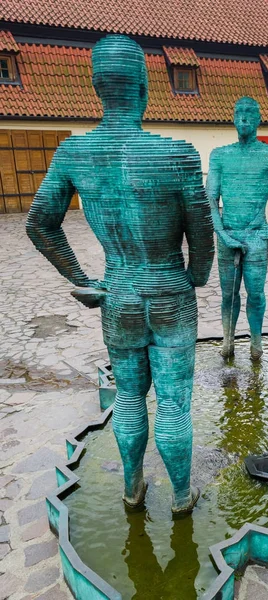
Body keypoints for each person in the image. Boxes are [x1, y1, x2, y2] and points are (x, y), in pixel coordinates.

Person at [26, 35, 214, 514]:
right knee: (173, 403)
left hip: (119, 294)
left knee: (129, 398)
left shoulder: (73, 153)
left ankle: (132, 488)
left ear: (97, 88)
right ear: (144, 89)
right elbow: (202, 236)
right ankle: (180, 496)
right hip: (169, 289)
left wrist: (84, 280)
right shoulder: (178, 154)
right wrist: (193, 276)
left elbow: (39, 223)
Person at [206, 97, 268, 360]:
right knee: (228, 294)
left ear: (259, 118)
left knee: (255, 292)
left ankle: (255, 341)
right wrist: (223, 235)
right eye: (238, 112)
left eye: (249, 113)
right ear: (232, 117)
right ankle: (228, 341)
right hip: (227, 234)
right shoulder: (220, 155)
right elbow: (210, 200)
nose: (243, 118)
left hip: (256, 236)